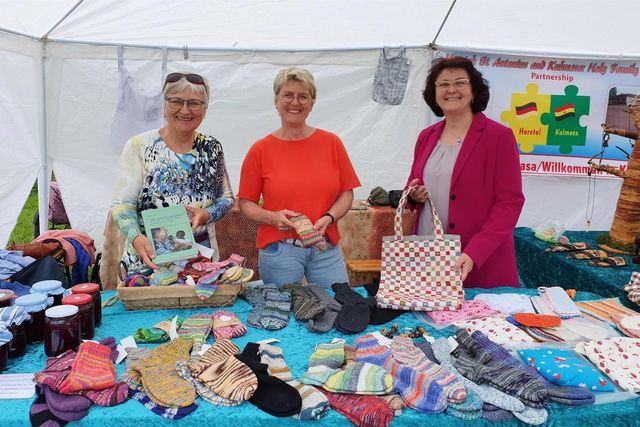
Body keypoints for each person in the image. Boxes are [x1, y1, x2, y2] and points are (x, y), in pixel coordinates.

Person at [406, 56, 524, 288]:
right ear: (434, 92)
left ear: (474, 90)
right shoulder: (426, 136)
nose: (451, 90)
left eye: (460, 82)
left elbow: (509, 203)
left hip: (478, 260)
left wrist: (475, 252)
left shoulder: (498, 137)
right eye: (443, 84)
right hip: (429, 256)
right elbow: (412, 185)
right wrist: (413, 195)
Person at [238, 67, 361, 287]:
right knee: (281, 313)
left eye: (303, 96)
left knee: (337, 305)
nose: (295, 102)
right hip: (280, 251)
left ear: (312, 103)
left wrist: (329, 217)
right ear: (276, 101)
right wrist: (274, 218)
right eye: (288, 95)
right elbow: (246, 203)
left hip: (325, 248)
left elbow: (346, 193)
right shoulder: (260, 150)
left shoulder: (332, 144)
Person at [112, 72, 234, 275]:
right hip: (147, 259)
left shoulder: (211, 148)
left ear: (205, 108)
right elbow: (122, 205)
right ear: (165, 104)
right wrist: (136, 237)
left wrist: (207, 214)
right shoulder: (139, 146)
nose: (185, 110)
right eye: (177, 101)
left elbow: (226, 199)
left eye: (194, 103)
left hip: (198, 261)